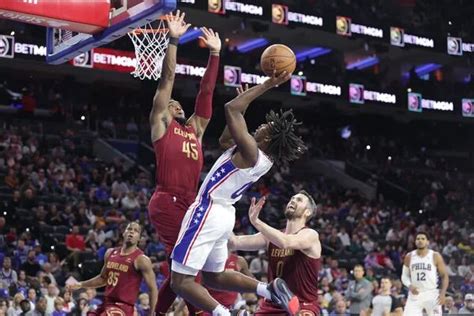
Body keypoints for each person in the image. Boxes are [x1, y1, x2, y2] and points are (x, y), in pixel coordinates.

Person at [169, 71, 307, 316]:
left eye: (267, 127)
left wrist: (267, 85)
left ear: (268, 139)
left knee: (180, 281)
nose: (262, 125)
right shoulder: (254, 154)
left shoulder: (253, 152)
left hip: (208, 210)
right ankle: (268, 290)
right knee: (214, 276)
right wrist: (241, 108)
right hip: (223, 216)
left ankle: (224, 314)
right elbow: (224, 139)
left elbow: (230, 108)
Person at [146, 10, 221, 315]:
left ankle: (160, 312)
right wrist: (173, 40)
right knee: (187, 264)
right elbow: (168, 78)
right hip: (167, 199)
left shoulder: (196, 130)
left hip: (191, 202)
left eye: (179, 102)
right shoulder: (161, 123)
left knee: (182, 266)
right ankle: (202, 312)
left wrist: (215, 54)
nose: (175, 102)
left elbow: (206, 92)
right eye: (171, 102)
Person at [229, 191, 321, 315]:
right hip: (272, 304)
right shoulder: (270, 237)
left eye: (299, 200)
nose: (293, 200)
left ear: (307, 212)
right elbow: (234, 242)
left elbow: (285, 242)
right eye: (292, 198)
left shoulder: (310, 235)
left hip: (302, 303)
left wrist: (256, 222)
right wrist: (222, 211)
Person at [67, 222, 158, 315]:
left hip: (123, 307)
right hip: (106, 304)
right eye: (129, 229)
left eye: (136, 231)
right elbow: (103, 278)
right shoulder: (110, 253)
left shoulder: (141, 259)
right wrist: (81, 284)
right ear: (123, 233)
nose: (131, 232)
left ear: (139, 238)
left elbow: (153, 289)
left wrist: (152, 313)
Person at [401, 232, 449, 316]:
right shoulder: (409, 256)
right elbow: (404, 276)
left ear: (427, 242)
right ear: (415, 241)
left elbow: (444, 276)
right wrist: (410, 285)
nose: (420, 241)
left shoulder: (435, 255)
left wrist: (443, 293)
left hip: (431, 293)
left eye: (423, 239)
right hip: (415, 294)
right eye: (418, 239)